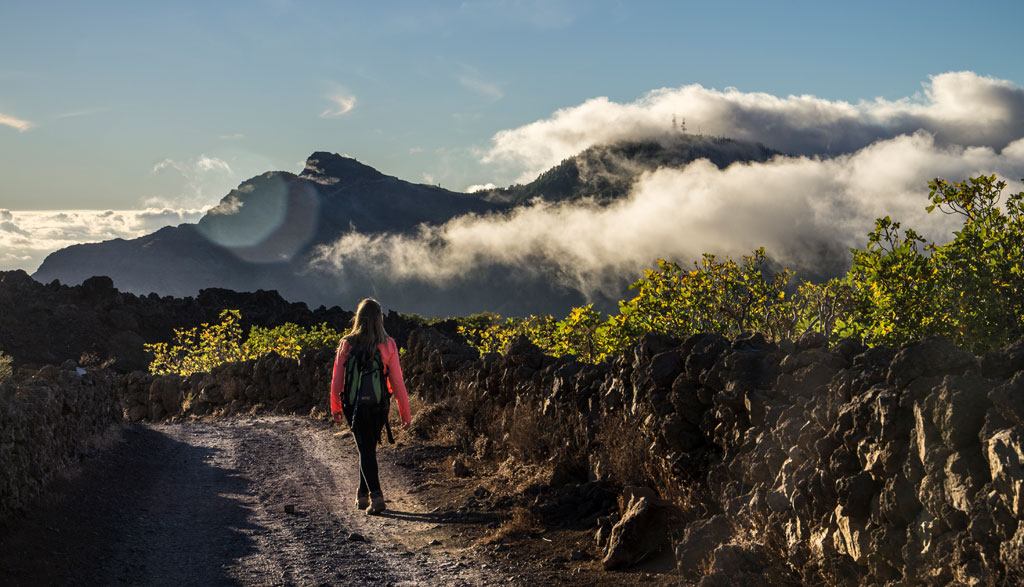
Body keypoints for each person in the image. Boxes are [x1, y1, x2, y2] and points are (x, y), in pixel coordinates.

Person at [330, 298, 412, 514]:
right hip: (379, 406)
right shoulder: (389, 344)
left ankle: (376, 497)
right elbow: (397, 382)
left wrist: (336, 407)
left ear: (358, 317)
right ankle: (362, 495)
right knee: (367, 449)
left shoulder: (347, 343)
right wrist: (405, 414)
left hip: (353, 406)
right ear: (379, 319)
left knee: (365, 449)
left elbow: (337, 380)